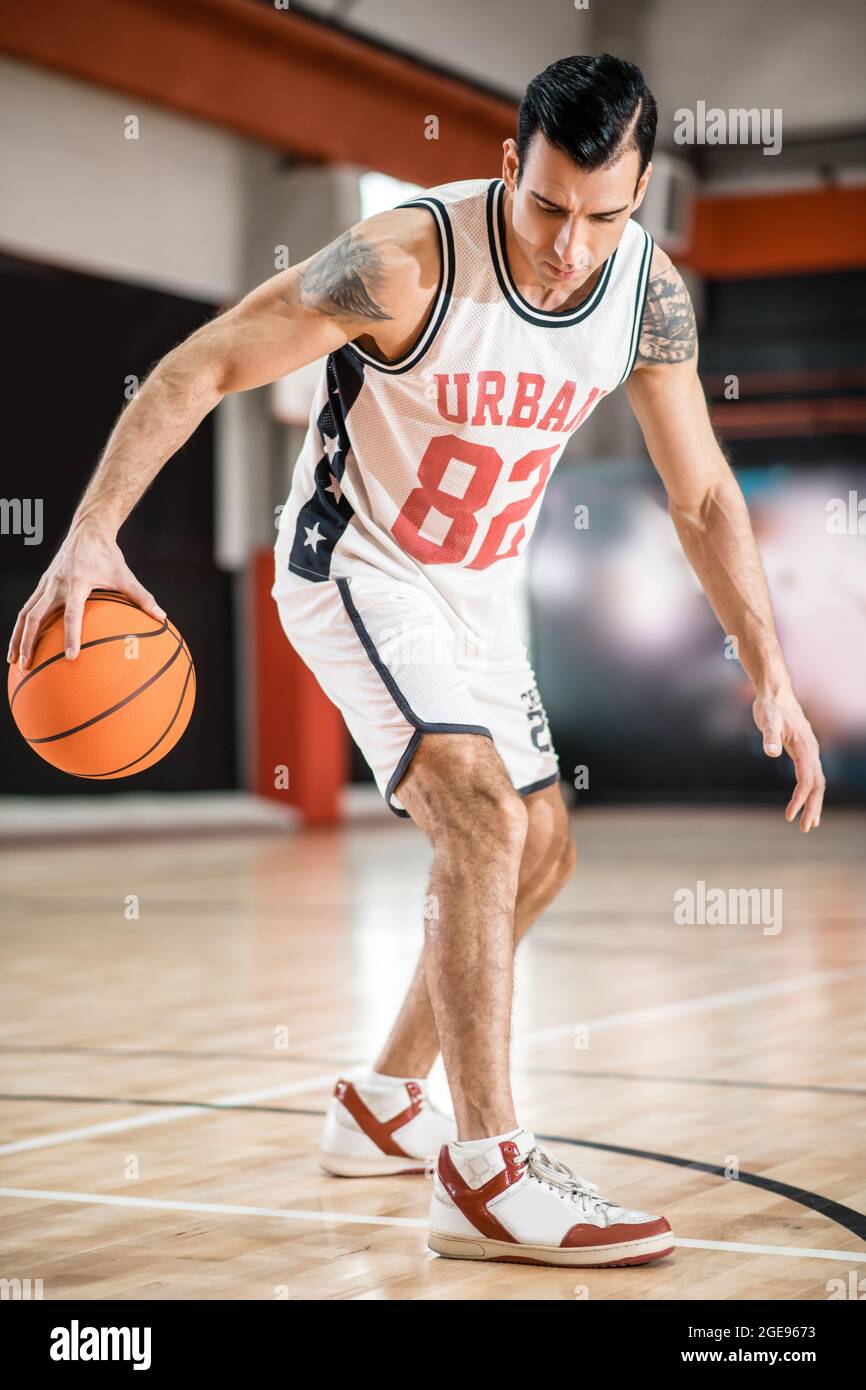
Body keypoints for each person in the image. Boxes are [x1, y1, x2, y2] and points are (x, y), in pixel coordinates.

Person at [7, 54, 825, 1269]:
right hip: (354, 566)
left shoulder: (644, 292)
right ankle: (488, 1174)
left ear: (642, 193)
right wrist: (87, 532)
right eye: (547, 205)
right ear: (508, 165)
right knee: (482, 817)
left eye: (604, 214)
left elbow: (700, 489)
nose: (567, 245)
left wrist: (764, 661)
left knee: (542, 849)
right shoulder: (403, 261)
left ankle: (383, 1102)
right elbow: (206, 362)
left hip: (477, 596)